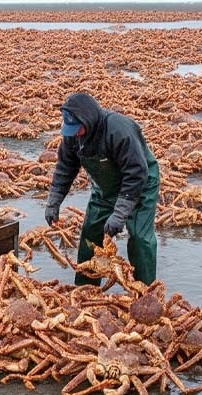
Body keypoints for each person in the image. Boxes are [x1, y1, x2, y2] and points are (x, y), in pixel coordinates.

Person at [45, 92, 160, 286]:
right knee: (91, 232)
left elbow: (135, 173)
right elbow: (65, 169)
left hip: (139, 185)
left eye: (77, 128)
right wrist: (53, 202)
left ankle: (145, 291)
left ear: (88, 120)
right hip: (104, 189)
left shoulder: (119, 130)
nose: (74, 133)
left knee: (140, 238)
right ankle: (85, 288)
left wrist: (119, 214)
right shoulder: (72, 137)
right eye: (70, 129)